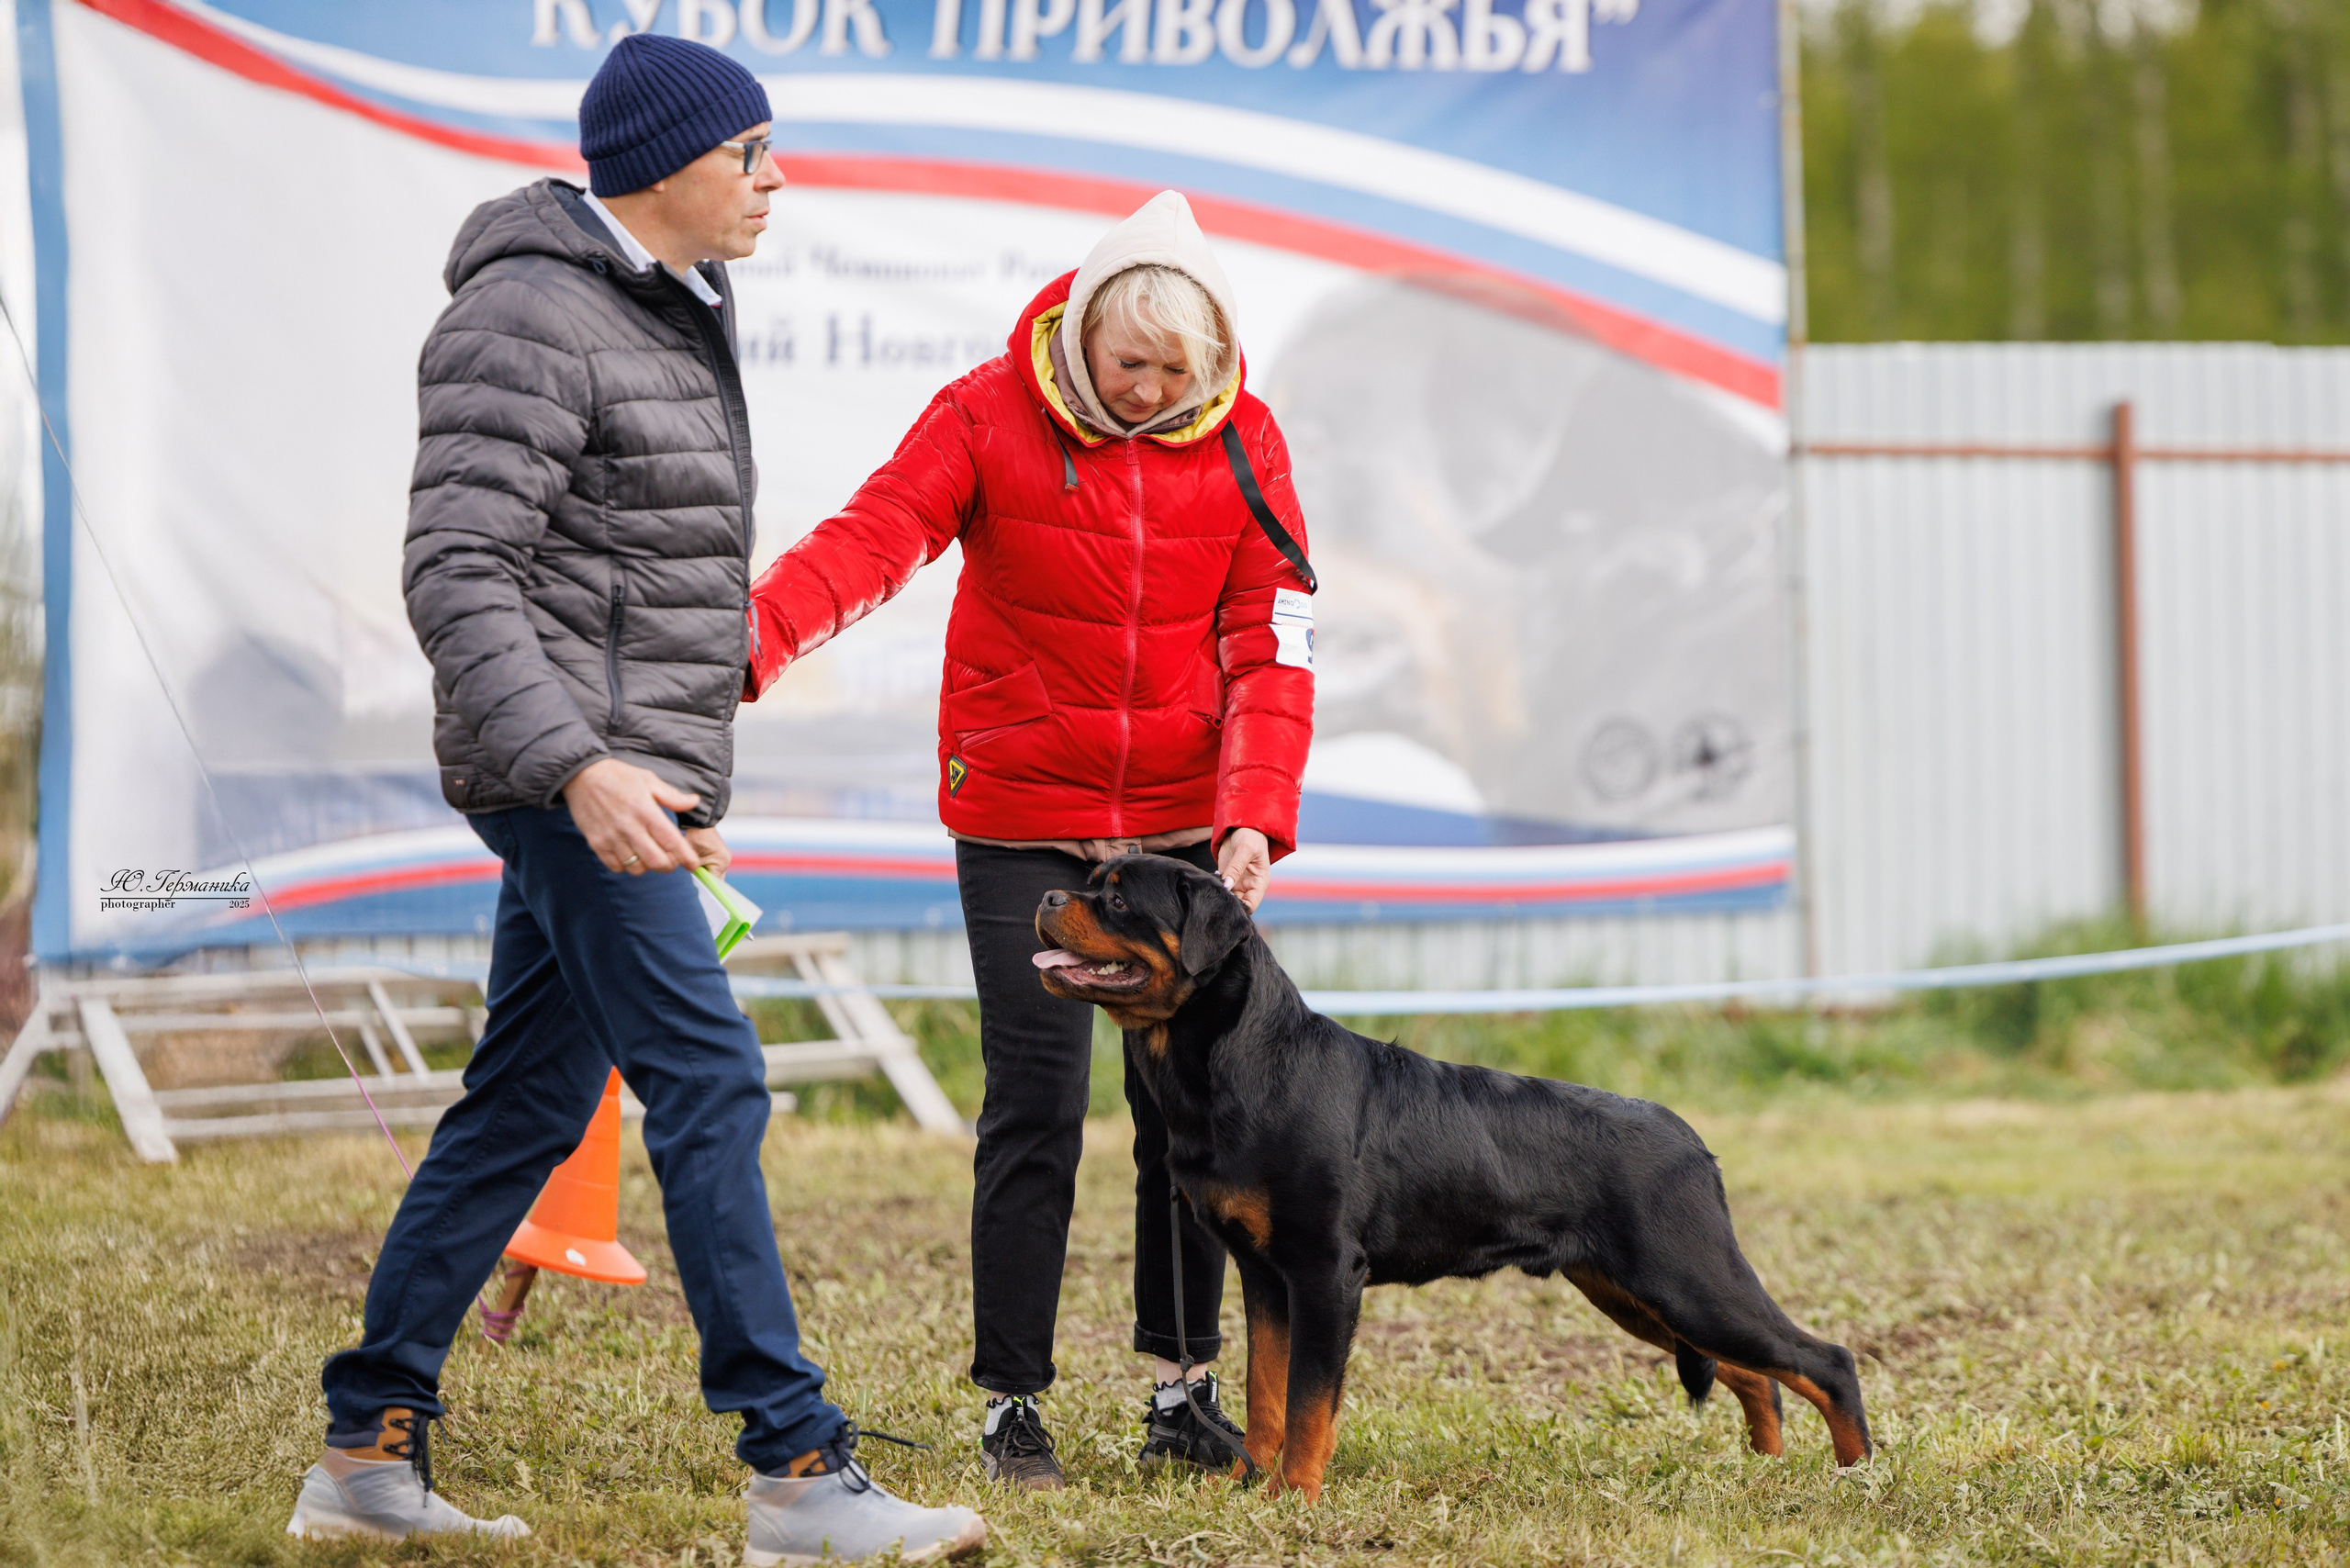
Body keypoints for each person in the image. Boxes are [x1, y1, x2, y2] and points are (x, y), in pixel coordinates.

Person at [291, 36, 985, 1563]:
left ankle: (364, 1451)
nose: (776, 181)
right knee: (712, 1080)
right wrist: (584, 768)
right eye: (752, 154)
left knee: (526, 1105)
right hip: (560, 774)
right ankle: (795, 1470)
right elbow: (456, 572)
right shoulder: (530, 312)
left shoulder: (660, 302)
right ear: (670, 161)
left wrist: (648, 775)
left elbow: (617, 580)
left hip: (606, 777)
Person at [744, 191, 1317, 1491]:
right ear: (1084, 328)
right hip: (1023, 818)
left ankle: (1182, 1390)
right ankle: (1013, 1404)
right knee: (1037, 1107)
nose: (1152, 392)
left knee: (1193, 1120)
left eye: (1180, 372)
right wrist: (760, 637)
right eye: (1132, 363)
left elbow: (1271, 643)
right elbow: (875, 537)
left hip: (1179, 835)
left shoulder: (1248, 441)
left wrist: (1254, 813)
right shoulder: (982, 412)